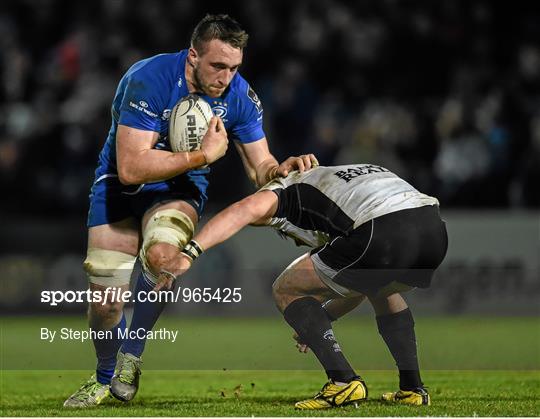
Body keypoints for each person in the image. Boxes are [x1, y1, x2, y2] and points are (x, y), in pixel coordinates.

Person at [63, 14, 317, 408]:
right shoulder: (150, 78)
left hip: (178, 190)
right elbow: (130, 168)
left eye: (234, 68)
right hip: (117, 188)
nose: (226, 77)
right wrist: (202, 154)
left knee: (164, 258)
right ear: (194, 55)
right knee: (106, 304)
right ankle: (103, 374)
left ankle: (131, 356)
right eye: (218, 66)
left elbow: (260, 167)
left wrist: (280, 169)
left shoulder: (239, 96)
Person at [156, 163, 448, 410]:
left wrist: (189, 253)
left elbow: (241, 210)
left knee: (286, 288)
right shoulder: (339, 176)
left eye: (298, 239)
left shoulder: (285, 190)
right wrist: (317, 322)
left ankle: (343, 381)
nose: (305, 243)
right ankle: (413, 389)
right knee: (382, 287)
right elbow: (358, 286)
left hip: (381, 229)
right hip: (433, 228)